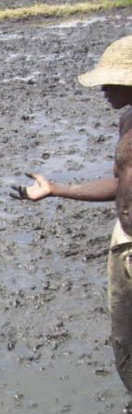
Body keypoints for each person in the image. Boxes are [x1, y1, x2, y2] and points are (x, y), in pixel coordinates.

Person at [13, 35, 132, 394]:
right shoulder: (128, 122)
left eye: (111, 82)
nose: (104, 90)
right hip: (124, 240)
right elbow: (119, 184)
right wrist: (56, 190)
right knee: (124, 337)